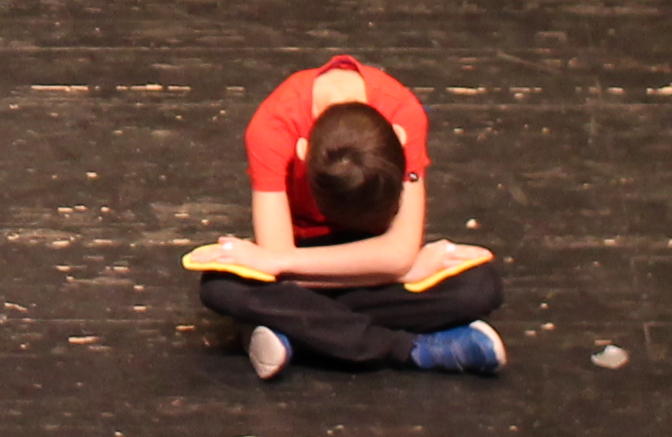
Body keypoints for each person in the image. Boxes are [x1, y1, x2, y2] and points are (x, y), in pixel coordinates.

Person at [188, 56, 506, 376]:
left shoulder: (401, 113)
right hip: (307, 252)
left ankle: (295, 327)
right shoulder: (274, 125)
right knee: (222, 285)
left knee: (478, 286)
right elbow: (279, 259)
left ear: (398, 139)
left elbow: (397, 250)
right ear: (303, 151)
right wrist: (396, 272)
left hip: (356, 254)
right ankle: (408, 350)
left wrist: (394, 266)